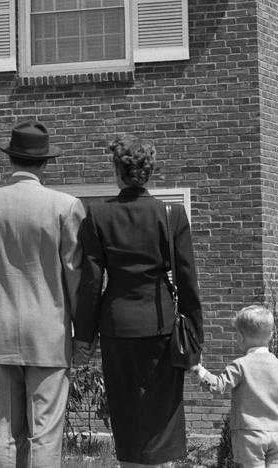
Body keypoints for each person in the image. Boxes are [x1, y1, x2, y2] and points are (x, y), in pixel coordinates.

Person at [0, 120, 93, 468]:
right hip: (50, 335)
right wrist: (83, 335)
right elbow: (77, 277)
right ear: (46, 162)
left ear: (10, 158)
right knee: (45, 435)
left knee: (4, 432)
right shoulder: (66, 206)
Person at [77, 135, 203, 467]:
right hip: (160, 325)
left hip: (117, 326)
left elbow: (90, 283)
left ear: (116, 171)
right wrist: (195, 338)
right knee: (162, 415)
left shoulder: (98, 215)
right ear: (149, 172)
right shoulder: (172, 214)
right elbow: (187, 280)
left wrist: (84, 338)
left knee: (126, 413)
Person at [191, 305, 278, 468]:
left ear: (241, 337)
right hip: (276, 435)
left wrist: (200, 371)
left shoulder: (240, 366)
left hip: (249, 435)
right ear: (271, 335)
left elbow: (219, 386)